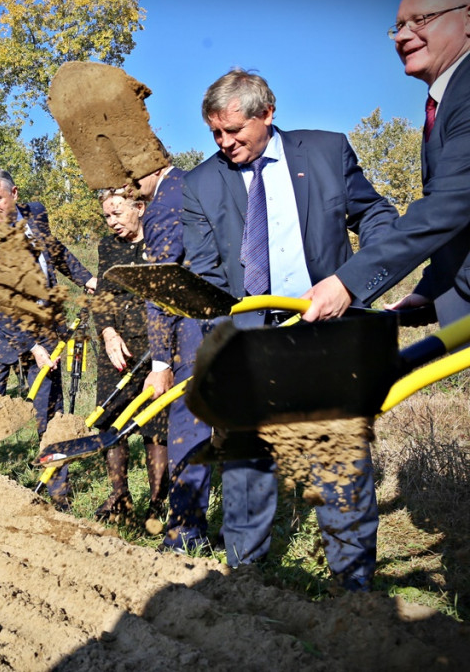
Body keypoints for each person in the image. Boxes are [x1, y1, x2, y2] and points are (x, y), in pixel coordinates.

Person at [180, 70, 399, 590]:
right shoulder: (200, 184)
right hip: (248, 342)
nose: (225, 143)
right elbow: (207, 273)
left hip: (326, 334)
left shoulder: (325, 152)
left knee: (338, 463)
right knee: (246, 472)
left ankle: (355, 589)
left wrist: (353, 284)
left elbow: (377, 216)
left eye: (235, 131)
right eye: (216, 133)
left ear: (267, 114)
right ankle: (245, 584)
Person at [303, 0, 470, 325]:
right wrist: (431, 288)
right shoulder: (444, 100)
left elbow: (447, 207)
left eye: (421, 20)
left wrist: (347, 283)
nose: (403, 36)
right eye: (398, 27)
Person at [0, 166, 97, 508]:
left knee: (49, 412)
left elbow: (59, 253)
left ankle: (59, 494)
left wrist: (87, 279)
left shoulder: (36, 217)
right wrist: (32, 346)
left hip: (42, 328)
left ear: (14, 194)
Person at [133, 156, 218, 554]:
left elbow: (162, 286)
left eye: (132, 179)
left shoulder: (165, 203)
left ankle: (184, 533)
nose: (130, 188)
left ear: (152, 167)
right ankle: (238, 537)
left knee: (187, 428)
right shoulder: (199, 181)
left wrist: (161, 362)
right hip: (233, 320)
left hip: (195, 330)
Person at [94, 190, 168, 523]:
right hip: (117, 348)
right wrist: (108, 333)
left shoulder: (161, 240)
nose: (112, 222)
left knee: (156, 426)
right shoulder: (108, 247)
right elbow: (103, 298)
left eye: (118, 214)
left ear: (139, 207)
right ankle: (120, 497)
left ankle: (157, 502)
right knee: (111, 422)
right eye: (107, 216)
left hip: (156, 345)